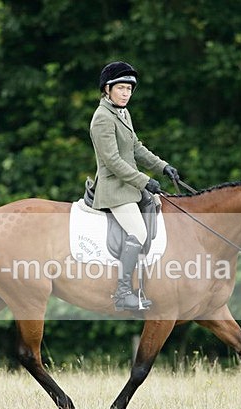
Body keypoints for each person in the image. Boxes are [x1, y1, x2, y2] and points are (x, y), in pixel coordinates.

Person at [89, 60, 180, 311]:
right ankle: (123, 293)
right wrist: (145, 181)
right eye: (121, 88)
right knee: (138, 233)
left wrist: (162, 166)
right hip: (114, 190)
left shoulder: (123, 113)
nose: (126, 94)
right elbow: (113, 161)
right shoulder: (102, 118)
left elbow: (136, 148)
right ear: (107, 90)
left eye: (129, 90)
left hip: (130, 187)